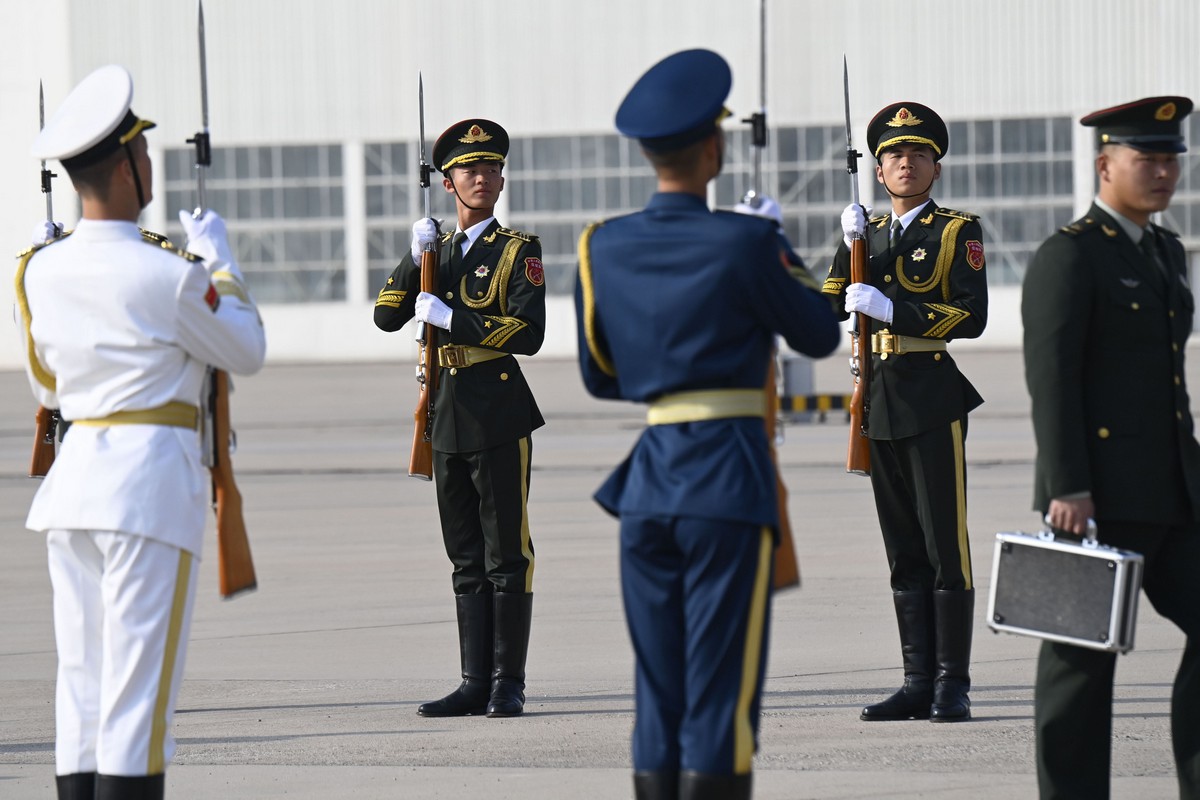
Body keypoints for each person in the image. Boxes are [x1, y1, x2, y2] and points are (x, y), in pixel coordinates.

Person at [576, 49, 841, 800]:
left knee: (657, 694)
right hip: (726, 478)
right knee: (722, 695)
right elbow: (820, 333)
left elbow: (601, 377)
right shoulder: (746, 243)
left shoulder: (603, 244)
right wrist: (780, 249)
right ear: (716, 148)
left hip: (649, 481)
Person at [15, 65, 266, 800]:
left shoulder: (38, 273)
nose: (150, 166)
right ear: (125, 168)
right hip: (148, 496)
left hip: (73, 494)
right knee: (136, 704)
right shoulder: (169, 274)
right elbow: (245, 349)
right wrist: (222, 260)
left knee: (83, 690)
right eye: (145, 153)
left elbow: (49, 387)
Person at [1022, 95, 1200, 799]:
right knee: (1080, 668)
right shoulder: (1069, 256)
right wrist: (1067, 485)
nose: (1162, 172)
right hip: (1093, 495)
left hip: (1173, 491)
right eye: (1146, 159)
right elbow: (1052, 380)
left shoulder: (1166, 251)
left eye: (1171, 158)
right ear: (1105, 165)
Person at [822, 102, 988, 722]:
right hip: (879, 397)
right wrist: (846, 249)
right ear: (879, 169)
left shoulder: (955, 231)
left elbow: (971, 314)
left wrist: (897, 311)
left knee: (947, 542)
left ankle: (953, 683)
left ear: (935, 169)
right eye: (893, 155)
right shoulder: (868, 234)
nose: (905, 163)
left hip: (930, 391)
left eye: (918, 154)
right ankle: (917, 679)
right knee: (903, 547)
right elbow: (827, 307)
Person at [373, 119, 545, 719]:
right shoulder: (438, 255)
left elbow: (528, 333)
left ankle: (508, 682)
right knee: (465, 553)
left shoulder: (518, 249)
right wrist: (416, 253)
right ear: (447, 183)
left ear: (501, 179)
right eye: (468, 170)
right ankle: (474, 680)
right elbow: (387, 315)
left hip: (498, 410)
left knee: (507, 553)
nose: (481, 177)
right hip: (445, 413)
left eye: (490, 168)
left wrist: (453, 318)